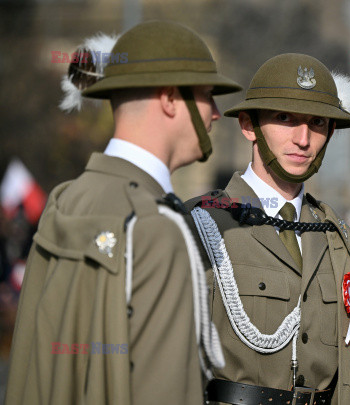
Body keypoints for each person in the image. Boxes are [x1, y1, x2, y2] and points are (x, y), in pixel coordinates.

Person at [5, 21, 240, 405]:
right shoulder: (157, 228)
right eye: (206, 95)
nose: (215, 113)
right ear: (169, 98)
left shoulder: (66, 200)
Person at [186, 53, 350, 404]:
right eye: (284, 118)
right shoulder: (203, 224)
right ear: (249, 125)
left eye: (317, 123)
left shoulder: (334, 236)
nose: (303, 139)